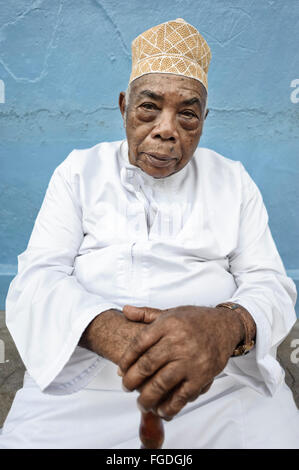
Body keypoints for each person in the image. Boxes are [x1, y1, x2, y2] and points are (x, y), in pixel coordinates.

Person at [0, 18, 298, 449]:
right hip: (84, 386)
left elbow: (270, 283)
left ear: (205, 119)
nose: (166, 128)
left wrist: (223, 327)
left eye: (188, 115)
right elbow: (37, 278)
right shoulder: (79, 172)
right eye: (149, 108)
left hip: (218, 386)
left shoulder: (233, 180)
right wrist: (112, 333)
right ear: (124, 106)